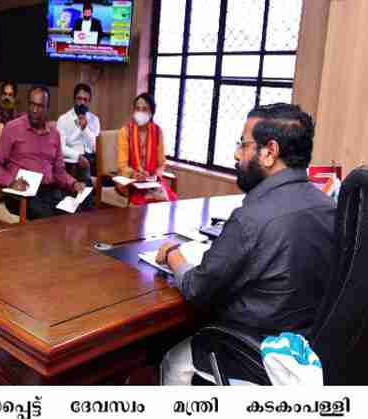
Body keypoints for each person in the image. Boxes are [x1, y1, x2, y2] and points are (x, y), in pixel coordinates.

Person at [156, 103, 336, 385]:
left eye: (244, 145)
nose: (237, 154)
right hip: (304, 351)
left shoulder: (250, 219)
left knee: (171, 361)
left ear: (269, 152)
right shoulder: (328, 206)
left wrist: (172, 255)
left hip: (254, 353)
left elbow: (196, 288)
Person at [0, 86, 87, 220]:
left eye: (40, 106)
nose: (34, 110)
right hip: (21, 194)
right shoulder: (12, 128)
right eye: (32, 105)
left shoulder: (54, 135)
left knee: (77, 212)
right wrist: (11, 182)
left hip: (49, 191)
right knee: (49, 219)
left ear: (47, 108)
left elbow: (59, 172)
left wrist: (73, 183)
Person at [117, 93, 177, 204]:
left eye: (144, 109)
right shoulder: (125, 132)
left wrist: (155, 175)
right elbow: (122, 165)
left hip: (151, 181)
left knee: (165, 200)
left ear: (151, 112)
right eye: (137, 108)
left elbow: (161, 163)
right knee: (145, 200)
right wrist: (135, 174)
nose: (140, 112)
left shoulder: (158, 132)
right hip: (130, 179)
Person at [57, 82, 100, 209]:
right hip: (72, 160)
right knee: (85, 171)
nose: (82, 103)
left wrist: (85, 128)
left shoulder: (94, 120)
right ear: (74, 99)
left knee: (111, 176)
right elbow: (61, 147)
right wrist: (78, 156)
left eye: (85, 100)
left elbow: (95, 147)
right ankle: (88, 211)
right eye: (79, 99)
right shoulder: (63, 119)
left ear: (89, 102)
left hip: (92, 158)